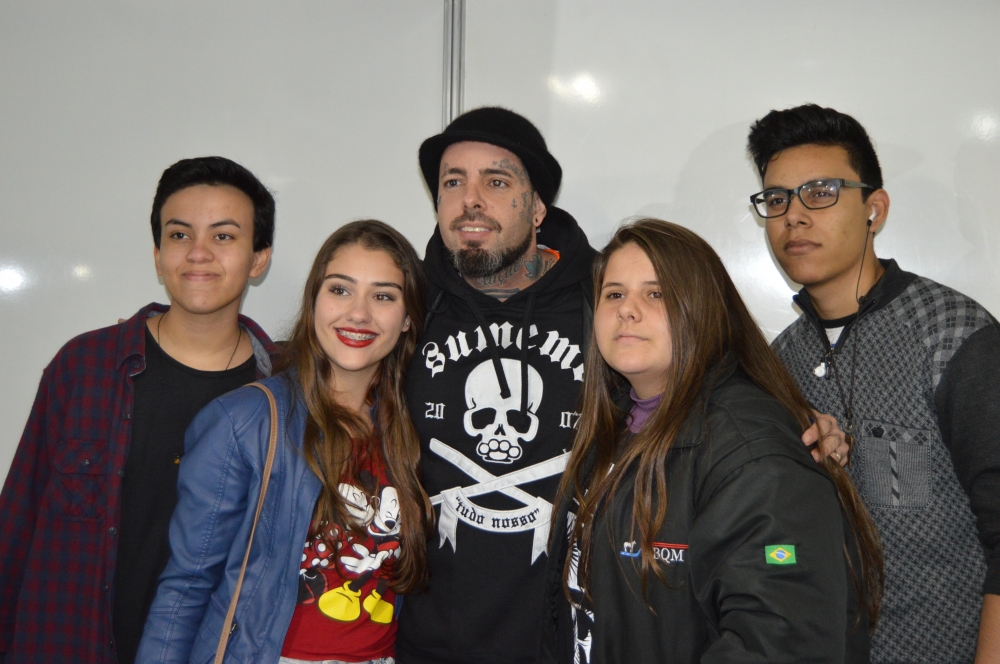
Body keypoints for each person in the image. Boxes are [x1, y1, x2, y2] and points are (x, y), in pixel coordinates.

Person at [396, 106, 850, 664]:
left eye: (496, 181)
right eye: (452, 182)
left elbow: (701, 370)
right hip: (430, 645)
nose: (470, 200)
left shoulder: (601, 295)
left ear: (536, 207)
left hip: (570, 640)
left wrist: (788, 425)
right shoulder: (408, 306)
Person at [540, 218, 882, 664]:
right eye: (615, 294)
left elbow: (779, 643)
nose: (627, 310)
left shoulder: (751, 452)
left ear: (702, 309)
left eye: (656, 294)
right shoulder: (611, 428)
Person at [0, 156, 279, 664]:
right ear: (157, 254)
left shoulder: (285, 394)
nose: (197, 253)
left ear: (259, 258)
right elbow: (14, 530)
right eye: (179, 235)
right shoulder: (84, 367)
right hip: (74, 645)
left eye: (223, 236)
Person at [747, 103, 1000, 663]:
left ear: (874, 208)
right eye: (777, 198)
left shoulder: (952, 333)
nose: (794, 216)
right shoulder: (776, 365)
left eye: (820, 192)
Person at [136, 219, 432, 664]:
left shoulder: (409, 427)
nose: (359, 313)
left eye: (384, 296)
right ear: (313, 301)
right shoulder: (243, 421)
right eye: (340, 290)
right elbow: (186, 585)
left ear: (408, 317)